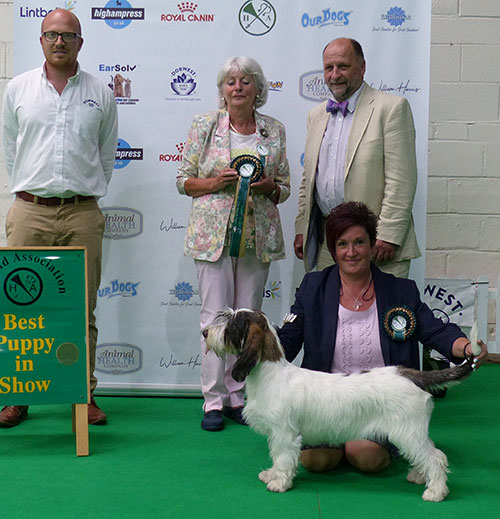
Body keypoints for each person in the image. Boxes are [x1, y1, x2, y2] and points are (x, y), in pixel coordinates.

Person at [278, 201, 488, 473]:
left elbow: (433, 329)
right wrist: (262, 348)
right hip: (325, 401)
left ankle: (410, 441)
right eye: (342, 244)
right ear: (333, 249)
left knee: (366, 458)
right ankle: (346, 444)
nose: (351, 252)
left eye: (359, 242)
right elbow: (290, 336)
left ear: (373, 244)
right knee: (317, 462)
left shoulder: (399, 290)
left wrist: (464, 347)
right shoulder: (313, 287)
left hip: (378, 402)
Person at [1, 9, 118, 427]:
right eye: (52, 34)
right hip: (29, 211)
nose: (59, 42)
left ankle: (83, 395)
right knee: (20, 309)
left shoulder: (100, 92)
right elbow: (11, 150)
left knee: (80, 310)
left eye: (68, 35)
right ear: (41, 40)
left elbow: (106, 156)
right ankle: (17, 395)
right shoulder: (17, 89)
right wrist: (34, 189)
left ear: (80, 42)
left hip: (83, 213)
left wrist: (78, 194)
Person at [177, 56, 290, 431]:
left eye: (245, 81)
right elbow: (184, 181)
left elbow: (284, 188)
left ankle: (239, 396)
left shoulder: (274, 130)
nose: (237, 87)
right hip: (213, 238)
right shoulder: (204, 126)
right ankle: (213, 400)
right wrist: (217, 182)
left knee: (249, 320)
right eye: (230, 81)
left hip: (257, 239)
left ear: (258, 89)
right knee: (213, 319)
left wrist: (269, 186)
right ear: (222, 89)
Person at [294, 37, 421, 278]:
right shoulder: (316, 114)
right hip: (328, 243)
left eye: (343, 66)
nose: (335, 75)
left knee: (381, 315)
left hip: (375, 244)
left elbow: (401, 180)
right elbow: (308, 181)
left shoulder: (391, 108)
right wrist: (302, 228)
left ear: (362, 68)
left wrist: (388, 234)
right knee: (332, 314)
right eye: (329, 68)